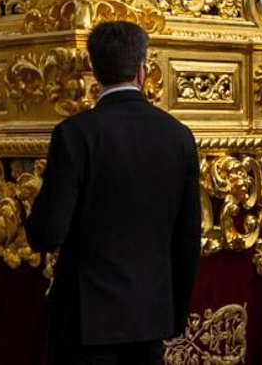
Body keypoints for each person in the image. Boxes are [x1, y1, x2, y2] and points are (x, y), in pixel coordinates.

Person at [25, 21, 200, 364]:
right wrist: (172, 316)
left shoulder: (75, 134)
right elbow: (187, 240)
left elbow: (48, 232)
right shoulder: (179, 137)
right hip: (149, 319)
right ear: (142, 70)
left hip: (86, 321)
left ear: (94, 69)